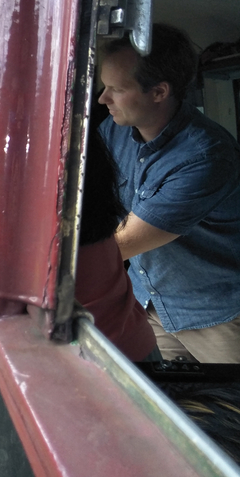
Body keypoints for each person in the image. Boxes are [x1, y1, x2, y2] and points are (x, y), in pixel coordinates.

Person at [98, 23, 240, 362]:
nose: (104, 98)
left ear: (159, 92)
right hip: (150, 306)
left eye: (116, 89)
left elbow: (121, 243)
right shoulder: (114, 130)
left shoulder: (207, 156)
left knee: (230, 410)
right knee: (168, 405)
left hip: (217, 316)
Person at [76, 130, 157, 362]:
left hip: (98, 357)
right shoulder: (108, 135)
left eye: (118, 90)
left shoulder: (201, 153)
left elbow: (128, 241)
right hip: (130, 338)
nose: (104, 98)